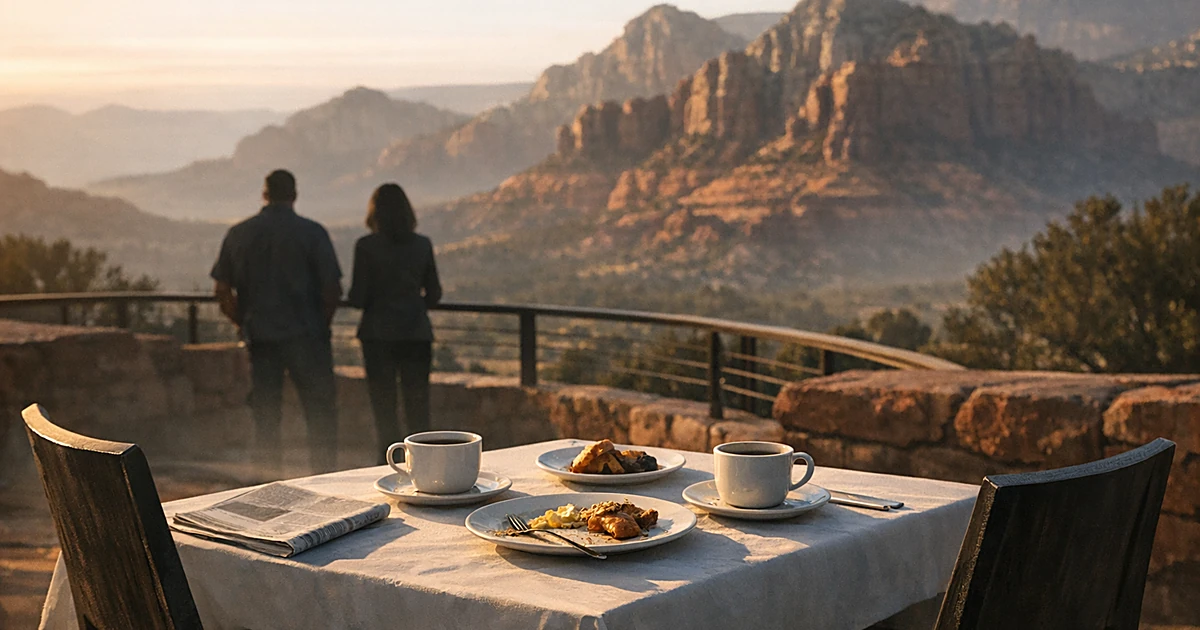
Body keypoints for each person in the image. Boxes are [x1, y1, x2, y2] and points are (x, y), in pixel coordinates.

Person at [211, 169, 343, 475]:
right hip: (308, 338)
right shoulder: (313, 233)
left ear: (264, 194)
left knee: (265, 416)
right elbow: (332, 289)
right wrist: (321, 325)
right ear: (295, 195)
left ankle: (267, 483)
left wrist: (242, 321)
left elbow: (221, 290)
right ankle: (326, 480)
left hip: (262, 338)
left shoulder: (239, 233)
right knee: (320, 413)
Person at [347, 183, 442, 461]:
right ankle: (424, 464)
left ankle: (388, 465)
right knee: (418, 406)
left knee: (383, 407)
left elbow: (358, 297)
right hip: (416, 334)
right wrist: (412, 303)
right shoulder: (422, 244)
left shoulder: (366, 246)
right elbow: (434, 293)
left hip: (377, 336)